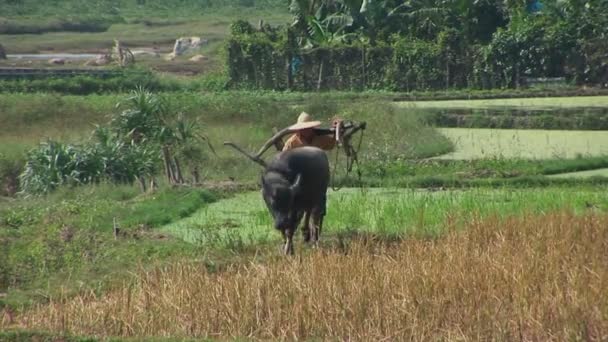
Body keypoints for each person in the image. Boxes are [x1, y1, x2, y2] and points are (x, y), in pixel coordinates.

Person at [280, 112, 342, 224]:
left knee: (319, 208)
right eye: (303, 128)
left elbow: (332, 144)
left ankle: (316, 235)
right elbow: (284, 160)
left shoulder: (319, 138)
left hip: (316, 179)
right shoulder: (291, 143)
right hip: (298, 179)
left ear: (312, 128)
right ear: (298, 130)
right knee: (296, 209)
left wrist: (336, 129)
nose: (306, 130)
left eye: (308, 128)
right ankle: (294, 233)